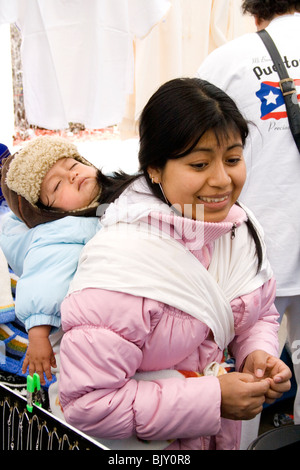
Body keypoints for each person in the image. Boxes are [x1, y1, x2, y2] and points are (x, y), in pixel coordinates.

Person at [58, 78, 291, 451]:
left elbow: (258, 312)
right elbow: (88, 404)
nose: (222, 180)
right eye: (199, 164)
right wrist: (212, 399)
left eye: (232, 159)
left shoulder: (239, 231)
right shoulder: (123, 264)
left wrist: (256, 355)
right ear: (154, 169)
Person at [196, 0, 300, 427]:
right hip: (261, 250)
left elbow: (189, 150)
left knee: (248, 375)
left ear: (255, 12)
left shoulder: (227, 61)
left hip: (253, 252)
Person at [0, 135, 114, 389]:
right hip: (67, 329)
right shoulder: (57, 235)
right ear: (44, 211)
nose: (72, 176)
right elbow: (44, 283)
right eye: (56, 186)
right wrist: (38, 337)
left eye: (73, 165)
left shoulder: (108, 192)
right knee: (72, 374)